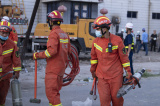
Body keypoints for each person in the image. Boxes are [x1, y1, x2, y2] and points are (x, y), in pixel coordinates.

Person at [90, 16, 132, 106]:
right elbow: (93, 59)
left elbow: (124, 58)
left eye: (98, 29)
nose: (96, 31)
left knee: (117, 100)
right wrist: (93, 71)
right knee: (104, 101)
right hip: (102, 77)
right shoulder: (95, 42)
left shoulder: (117, 40)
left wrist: (128, 70)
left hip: (116, 76)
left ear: (105, 28)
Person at [33, 10, 71, 106]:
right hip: (61, 69)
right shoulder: (65, 34)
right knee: (55, 93)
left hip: (53, 70)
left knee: (52, 94)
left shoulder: (53, 34)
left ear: (50, 21)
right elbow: (69, 52)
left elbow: (51, 51)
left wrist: (37, 55)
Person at [0, 25, 21, 105]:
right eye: (2, 33)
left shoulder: (12, 44)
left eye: (6, 33)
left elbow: (16, 59)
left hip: (5, 76)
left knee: (2, 97)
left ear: (9, 34)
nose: (4, 35)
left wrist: (17, 72)